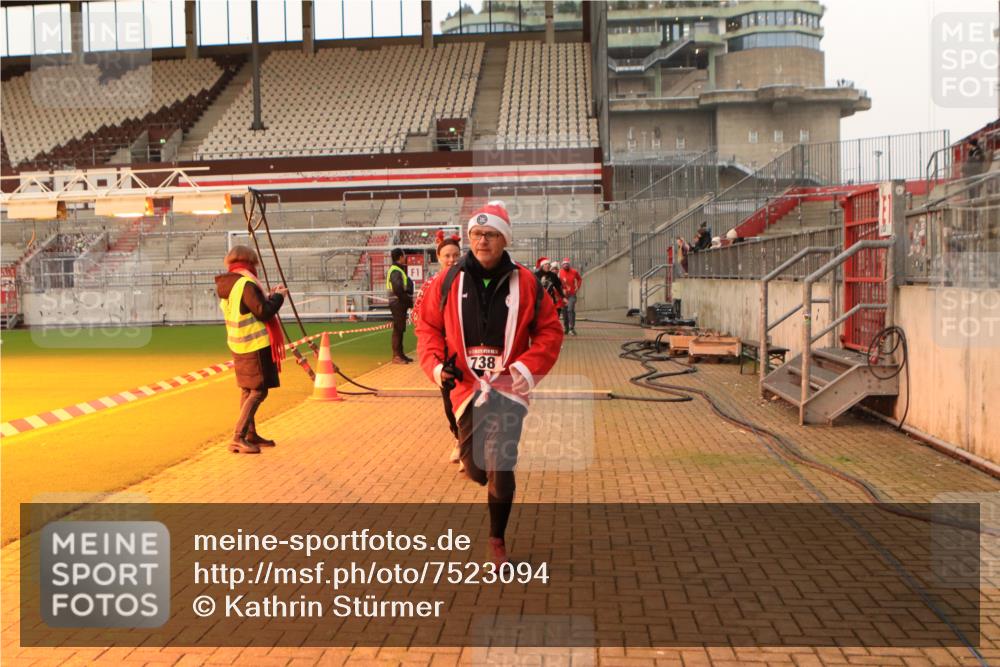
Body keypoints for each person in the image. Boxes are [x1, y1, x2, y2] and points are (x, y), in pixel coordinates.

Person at [415, 201, 564, 565]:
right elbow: (427, 326)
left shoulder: (527, 283)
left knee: (501, 461)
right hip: (466, 389)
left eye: (491, 234)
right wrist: (436, 365)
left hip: (509, 388)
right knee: (476, 468)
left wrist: (526, 368)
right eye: (477, 234)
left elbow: (550, 331)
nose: (483, 241)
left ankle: (497, 541)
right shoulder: (446, 281)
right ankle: (476, 466)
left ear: (504, 239)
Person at [215, 246, 288, 454]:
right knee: (258, 390)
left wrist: (269, 296)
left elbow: (250, 308)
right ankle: (238, 437)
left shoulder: (229, 284)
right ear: (250, 262)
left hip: (238, 344)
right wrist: (278, 297)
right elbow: (263, 312)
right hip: (254, 345)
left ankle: (250, 434)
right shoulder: (246, 283)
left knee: (247, 390)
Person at [413, 230, 463, 465]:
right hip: (444, 353)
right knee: (449, 400)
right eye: (447, 256)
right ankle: (459, 439)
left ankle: (471, 444)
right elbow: (420, 319)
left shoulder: (469, 281)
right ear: (438, 258)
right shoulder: (430, 285)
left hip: (469, 351)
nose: (452, 260)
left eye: (456, 255)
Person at [386, 247, 414, 364]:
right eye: (404, 255)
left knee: (400, 328)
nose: (405, 257)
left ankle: (400, 354)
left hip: (399, 302)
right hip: (398, 302)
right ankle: (397, 356)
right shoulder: (396, 271)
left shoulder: (397, 269)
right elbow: (398, 289)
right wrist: (408, 301)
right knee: (398, 329)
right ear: (400, 257)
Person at [558, 258, 582, 335]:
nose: (566, 265)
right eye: (564, 264)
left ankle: (572, 328)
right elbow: (557, 283)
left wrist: (577, 287)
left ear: (569, 264)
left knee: (570, 309)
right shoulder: (559, 272)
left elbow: (579, 279)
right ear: (562, 265)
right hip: (563, 296)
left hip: (572, 294)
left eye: (567, 264)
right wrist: (561, 290)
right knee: (564, 312)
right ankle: (566, 328)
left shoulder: (574, 272)